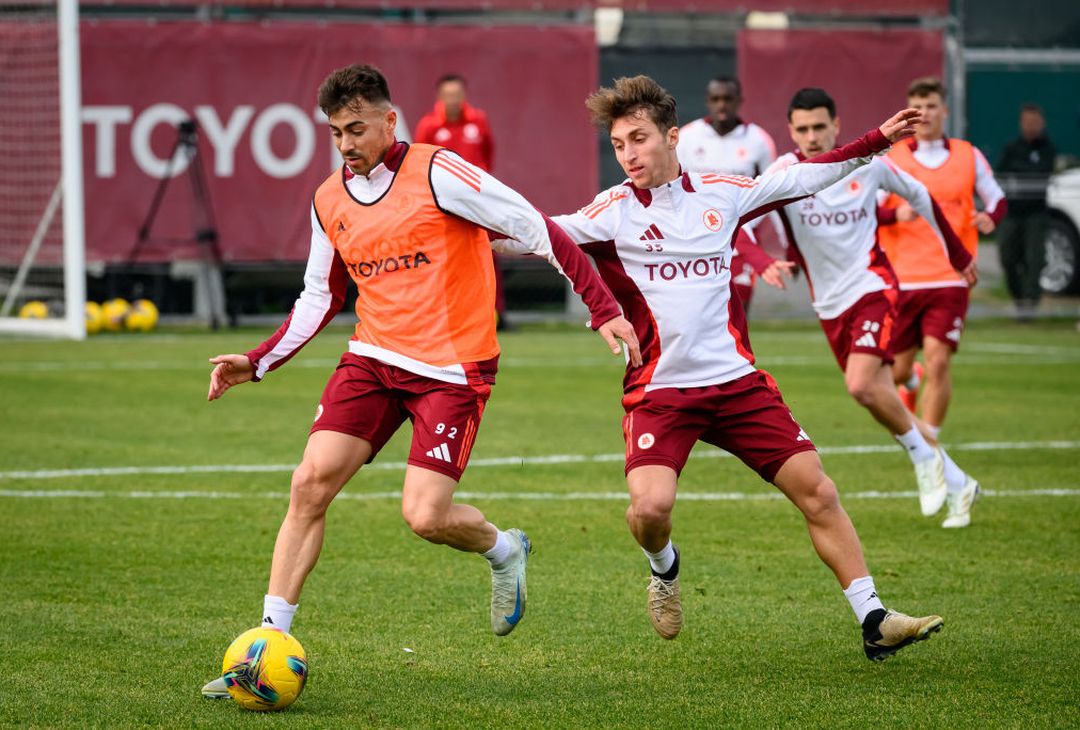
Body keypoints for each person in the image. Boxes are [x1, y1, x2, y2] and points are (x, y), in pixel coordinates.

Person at [200, 64, 640, 699]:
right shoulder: (328, 199)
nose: (346, 143)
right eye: (336, 132)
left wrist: (602, 308)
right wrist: (259, 359)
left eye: (357, 128)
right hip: (373, 360)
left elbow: (537, 226)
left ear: (389, 121)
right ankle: (265, 646)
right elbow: (320, 296)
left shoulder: (441, 172)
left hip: (452, 370)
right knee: (309, 483)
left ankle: (504, 549)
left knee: (425, 517)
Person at [495, 75, 943, 660]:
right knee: (650, 509)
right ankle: (664, 568)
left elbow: (804, 177)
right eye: (619, 144)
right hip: (660, 393)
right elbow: (536, 235)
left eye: (639, 139)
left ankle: (874, 619)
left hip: (737, 386)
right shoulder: (612, 211)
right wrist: (472, 227)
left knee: (818, 491)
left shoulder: (723, 193)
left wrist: (873, 141)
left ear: (672, 136)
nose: (628, 154)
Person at [751, 87, 979, 527]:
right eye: (803, 129)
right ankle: (957, 480)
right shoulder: (783, 173)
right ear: (791, 131)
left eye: (820, 127)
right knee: (883, 400)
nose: (812, 136)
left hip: (873, 287)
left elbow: (920, 195)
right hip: (829, 305)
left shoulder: (869, 164)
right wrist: (762, 262)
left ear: (836, 125)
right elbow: (741, 222)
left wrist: (956, 251)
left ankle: (923, 459)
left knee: (860, 386)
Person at [877, 78, 1006, 446]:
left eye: (932, 105)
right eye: (918, 107)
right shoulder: (891, 159)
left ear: (944, 110)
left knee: (939, 360)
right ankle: (910, 380)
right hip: (903, 277)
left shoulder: (968, 154)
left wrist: (990, 218)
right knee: (896, 371)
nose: (926, 113)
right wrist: (894, 215)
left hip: (951, 277)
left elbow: (997, 199)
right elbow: (868, 210)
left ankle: (930, 444)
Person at [414, 74, 508, 326]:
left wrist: (478, 188)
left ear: (463, 95)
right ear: (440, 97)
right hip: (444, 207)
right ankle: (441, 313)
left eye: (457, 94)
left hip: (478, 203)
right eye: (448, 95)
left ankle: (496, 313)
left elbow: (488, 154)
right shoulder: (429, 125)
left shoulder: (479, 120)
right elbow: (420, 163)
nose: (453, 99)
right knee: (443, 256)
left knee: (489, 251)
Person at [677, 76, 777, 310]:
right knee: (699, 308)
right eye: (716, 99)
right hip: (697, 238)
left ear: (739, 101)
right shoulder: (687, 137)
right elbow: (673, 186)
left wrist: (747, 224)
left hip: (742, 237)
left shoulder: (759, 141)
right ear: (707, 101)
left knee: (739, 307)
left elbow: (772, 191)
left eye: (728, 98)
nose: (722, 104)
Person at [997, 103, 1057, 320]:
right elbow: (1001, 172)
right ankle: (1019, 299)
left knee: (1035, 259)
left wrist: (1019, 171)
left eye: (1035, 122)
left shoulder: (1047, 149)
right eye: (1027, 122)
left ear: (1042, 123)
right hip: (1012, 211)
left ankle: (1029, 305)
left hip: (1036, 213)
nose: (1031, 126)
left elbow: (1042, 172)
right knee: (1008, 257)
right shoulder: (1011, 148)